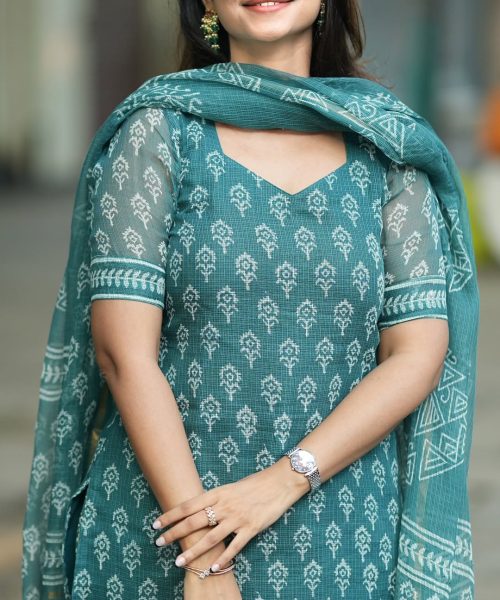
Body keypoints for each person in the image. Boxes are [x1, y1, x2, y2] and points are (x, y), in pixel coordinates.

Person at [22, 1, 479, 599]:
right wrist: (206, 558)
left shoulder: (387, 148)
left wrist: (282, 482)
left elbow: (416, 353)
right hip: (166, 532)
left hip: (341, 539)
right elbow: (123, 354)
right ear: (207, 3)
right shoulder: (158, 133)